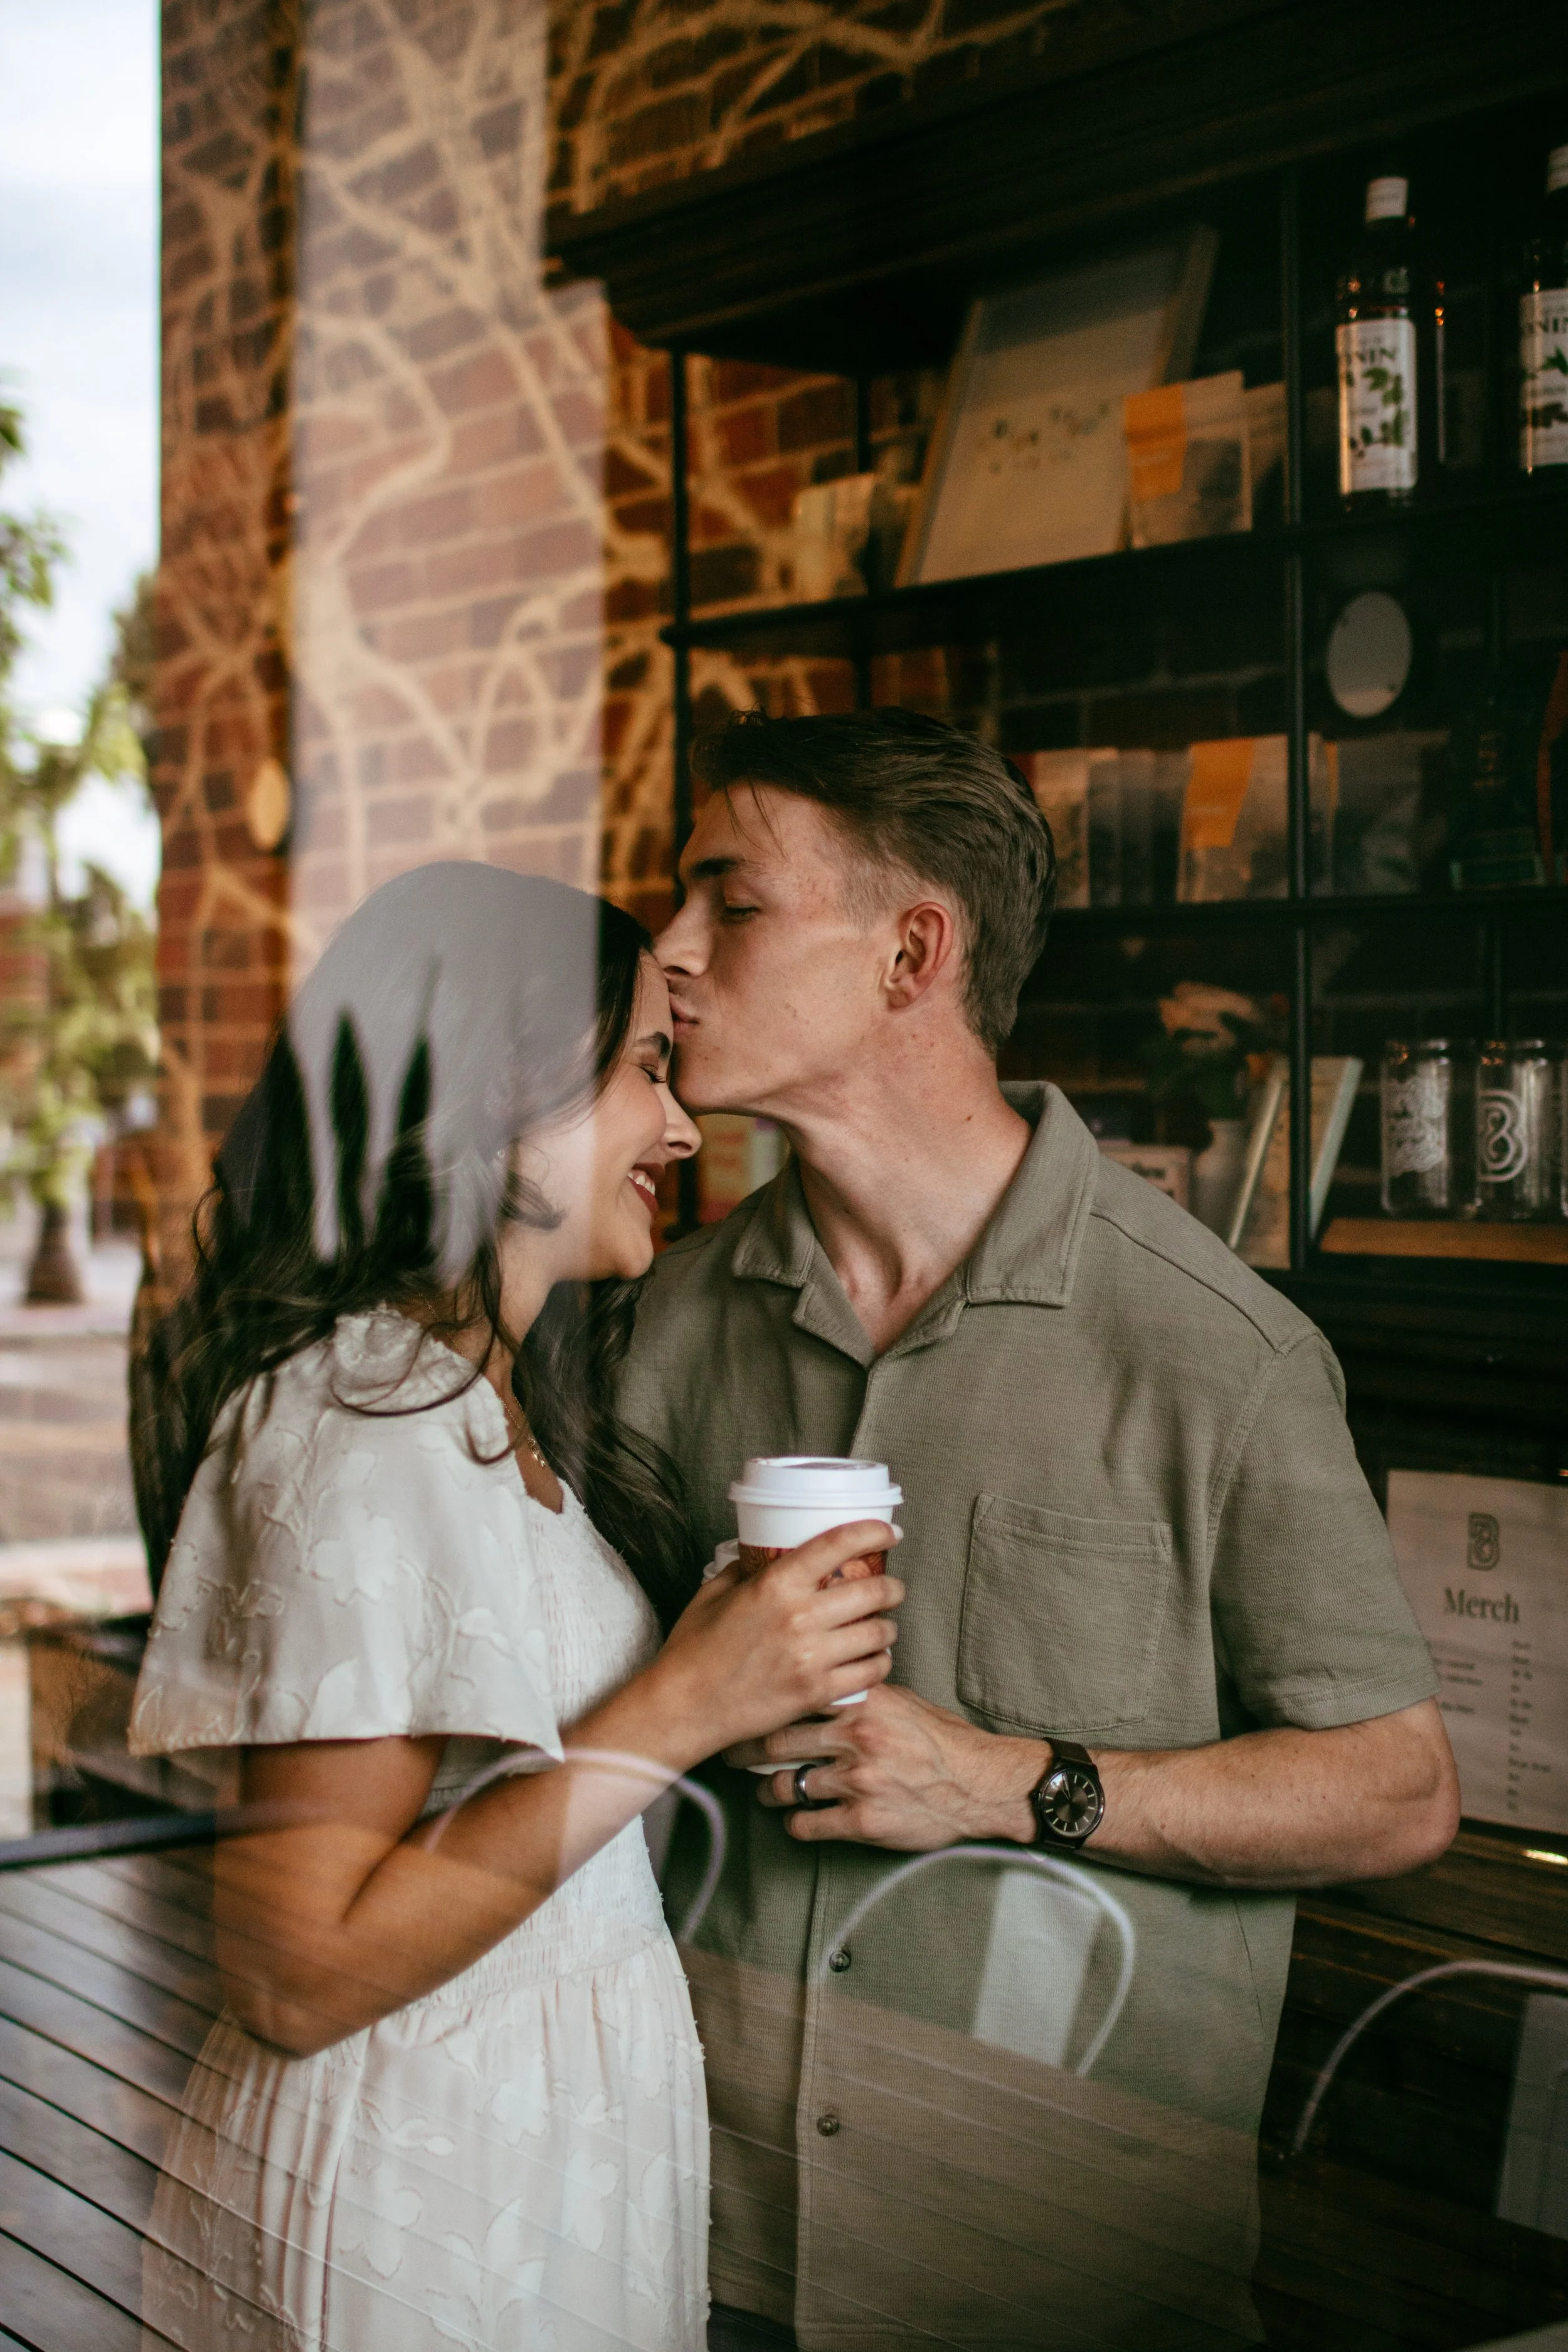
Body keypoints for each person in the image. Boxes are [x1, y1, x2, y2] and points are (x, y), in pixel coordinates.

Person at [617, 709, 1461, 2352]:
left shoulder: (1215, 1347)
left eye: (731, 898)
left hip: (1054, 2273)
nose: (669, 951)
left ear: (911, 949)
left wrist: (1005, 1778)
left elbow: (1397, 1784)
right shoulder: (664, 1323)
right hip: (696, 2239)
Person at [126, 861, 903, 2352]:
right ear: (498, 1093)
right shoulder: (360, 1420)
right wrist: (685, 1699)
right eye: (643, 1072)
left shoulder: (476, 1397)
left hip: (526, 2149)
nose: (681, 1128)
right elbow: (294, 1970)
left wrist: (731, 1674)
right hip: (425, 2192)